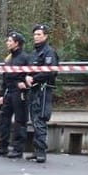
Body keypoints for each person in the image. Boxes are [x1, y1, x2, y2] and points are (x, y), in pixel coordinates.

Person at [0, 32, 31, 158]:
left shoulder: (25, 58)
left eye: (9, 41)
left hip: (20, 93)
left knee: (20, 120)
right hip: (9, 92)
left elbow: (31, 75)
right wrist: (1, 95)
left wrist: (24, 83)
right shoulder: (8, 59)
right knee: (4, 119)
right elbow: (5, 78)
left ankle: (18, 149)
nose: (7, 43)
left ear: (16, 43)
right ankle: (3, 147)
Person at [25, 24, 59, 164]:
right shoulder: (34, 53)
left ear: (45, 36)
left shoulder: (49, 52)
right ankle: (36, 149)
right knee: (34, 119)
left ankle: (41, 152)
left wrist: (34, 78)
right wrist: (27, 77)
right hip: (33, 89)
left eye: (39, 34)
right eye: (35, 34)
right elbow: (28, 69)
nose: (36, 37)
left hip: (43, 89)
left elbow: (51, 71)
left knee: (40, 119)